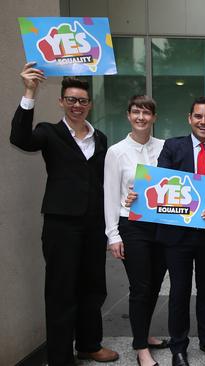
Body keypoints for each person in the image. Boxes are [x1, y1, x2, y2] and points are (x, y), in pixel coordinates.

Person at [10, 62, 118, 365]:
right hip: (61, 225)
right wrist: (29, 91)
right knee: (61, 291)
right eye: (71, 99)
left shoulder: (101, 138)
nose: (77, 105)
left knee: (93, 287)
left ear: (90, 104)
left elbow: (103, 181)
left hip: (93, 224)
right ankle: (59, 356)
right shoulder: (48, 133)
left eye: (82, 100)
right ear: (61, 102)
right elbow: (20, 138)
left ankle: (89, 344)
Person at [155, 97, 205, 366]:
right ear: (190, 118)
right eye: (199, 117)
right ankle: (178, 346)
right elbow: (161, 180)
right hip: (176, 236)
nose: (204, 122)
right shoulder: (172, 147)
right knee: (179, 290)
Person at [103, 95, 169, 366]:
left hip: (162, 225)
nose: (141, 117)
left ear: (154, 117)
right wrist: (113, 234)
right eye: (136, 112)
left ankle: (144, 332)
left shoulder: (165, 148)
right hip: (133, 226)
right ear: (128, 116)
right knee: (140, 286)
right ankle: (141, 347)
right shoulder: (116, 152)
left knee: (154, 284)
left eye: (146, 113)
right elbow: (109, 194)